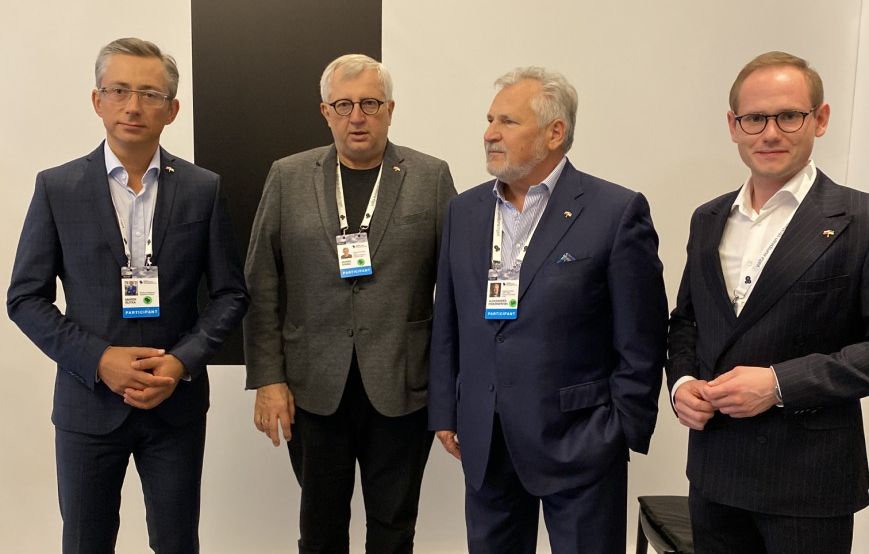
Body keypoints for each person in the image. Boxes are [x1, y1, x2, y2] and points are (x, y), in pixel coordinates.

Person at [6, 37, 249, 553]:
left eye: (149, 94)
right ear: (97, 100)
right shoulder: (57, 187)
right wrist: (99, 360)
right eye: (118, 90)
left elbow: (230, 294)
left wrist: (180, 363)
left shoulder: (203, 188)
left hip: (175, 407)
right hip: (87, 405)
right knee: (86, 543)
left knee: (177, 543)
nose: (133, 106)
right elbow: (25, 298)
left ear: (172, 109)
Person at [428, 66, 667, 554]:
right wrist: (447, 410)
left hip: (580, 441)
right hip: (486, 438)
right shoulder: (464, 211)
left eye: (508, 122)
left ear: (555, 132)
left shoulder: (615, 211)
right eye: (490, 120)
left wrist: (619, 428)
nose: (490, 134)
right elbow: (449, 320)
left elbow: (642, 336)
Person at [244, 53, 456, 553]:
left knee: (394, 529)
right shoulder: (288, 176)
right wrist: (269, 379)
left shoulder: (430, 177)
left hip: (404, 386)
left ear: (390, 110)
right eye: (344, 105)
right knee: (320, 529)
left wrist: (452, 386)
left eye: (370, 104)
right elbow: (261, 281)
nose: (356, 116)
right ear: (326, 112)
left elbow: (454, 287)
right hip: (313, 389)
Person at [667, 51, 869, 553]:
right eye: (755, 118)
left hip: (808, 483)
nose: (771, 133)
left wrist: (779, 384)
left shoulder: (860, 219)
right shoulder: (707, 218)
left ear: (820, 119)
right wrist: (683, 383)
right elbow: (687, 321)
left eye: (789, 116)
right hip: (714, 474)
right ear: (733, 126)